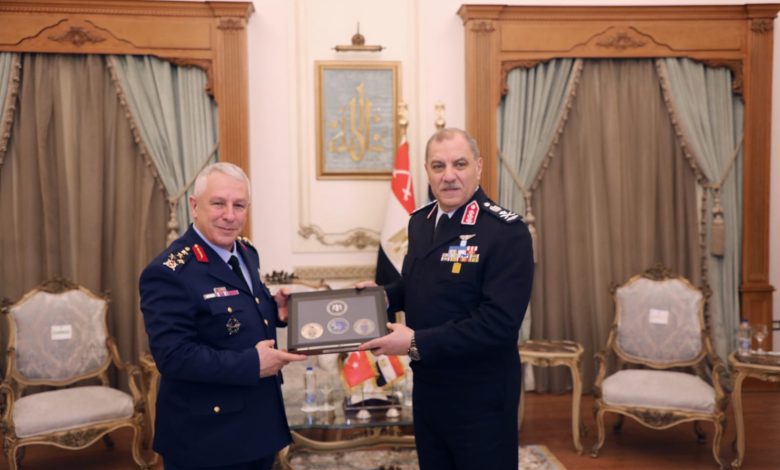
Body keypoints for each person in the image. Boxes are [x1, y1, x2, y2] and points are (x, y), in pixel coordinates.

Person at [360, 128, 534, 469]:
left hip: (481, 394)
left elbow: (498, 324)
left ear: (478, 167)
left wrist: (415, 342)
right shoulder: (420, 223)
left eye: (460, 164)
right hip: (429, 387)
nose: (449, 175)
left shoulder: (505, 232)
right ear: (427, 171)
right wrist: (381, 298)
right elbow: (418, 286)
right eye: (438, 166)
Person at [139, 162, 306, 470]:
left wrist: (276, 310)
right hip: (207, 437)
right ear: (194, 206)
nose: (230, 215)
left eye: (239, 205)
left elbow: (236, 315)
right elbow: (173, 356)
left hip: (258, 424)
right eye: (218, 203)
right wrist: (252, 363)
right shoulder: (169, 271)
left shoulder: (246, 252)